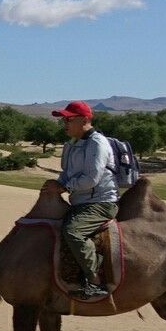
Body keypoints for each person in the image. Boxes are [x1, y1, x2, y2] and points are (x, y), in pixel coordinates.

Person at [45, 101, 117, 302]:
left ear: (84, 120)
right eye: (64, 120)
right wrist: (55, 184)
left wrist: (63, 188)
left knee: (72, 231)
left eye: (69, 119)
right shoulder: (71, 144)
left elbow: (91, 179)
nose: (65, 123)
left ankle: (96, 281)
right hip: (80, 201)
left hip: (100, 202)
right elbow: (67, 174)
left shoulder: (97, 143)